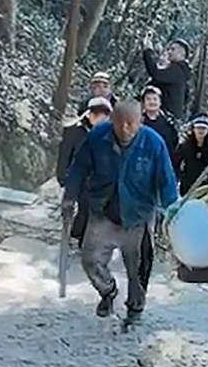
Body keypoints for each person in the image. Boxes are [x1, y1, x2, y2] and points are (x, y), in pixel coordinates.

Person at [62, 100, 178, 324]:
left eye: (131, 124)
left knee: (138, 270)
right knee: (90, 260)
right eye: (120, 123)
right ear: (111, 121)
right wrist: (69, 196)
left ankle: (135, 309)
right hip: (103, 211)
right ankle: (108, 291)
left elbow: (167, 180)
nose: (125, 129)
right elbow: (79, 167)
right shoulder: (97, 137)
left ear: (140, 122)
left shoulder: (154, 143)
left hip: (138, 216)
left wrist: (173, 212)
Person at [56, 97, 113, 246]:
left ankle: (85, 240)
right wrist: (63, 177)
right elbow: (64, 156)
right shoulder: (73, 131)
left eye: (104, 116)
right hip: (79, 179)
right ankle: (78, 234)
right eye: (97, 115)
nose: (101, 119)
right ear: (89, 114)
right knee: (83, 210)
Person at [142, 35, 191, 120]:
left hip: (166, 117)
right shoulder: (180, 72)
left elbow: (156, 75)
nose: (169, 52)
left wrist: (147, 51)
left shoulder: (178, 70)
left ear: (181, 54)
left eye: (173, 49)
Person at [173, 114, 208, 195]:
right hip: (187, 187)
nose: (200, 131)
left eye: (203, 128)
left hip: (205, 188)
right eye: (198, 128)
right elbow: (175, 163)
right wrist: (182, 176)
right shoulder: (185, 147)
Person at [141, 85, 178, 162]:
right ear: (143, 102)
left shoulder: (168, 122)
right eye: (148, 99)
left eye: (155, 99)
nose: (152, 102)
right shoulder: (139, 122)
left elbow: (173, 143)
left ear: (160, 102)